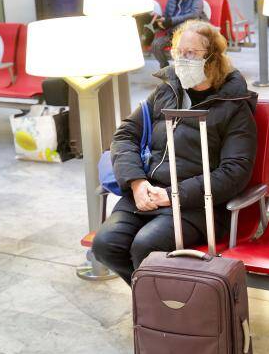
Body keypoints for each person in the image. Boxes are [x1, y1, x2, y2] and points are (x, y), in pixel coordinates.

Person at [92, 21, 257, 284]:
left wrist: (172, 195)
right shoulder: (167, 91)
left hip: (196, 205)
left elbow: (235, 171)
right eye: (178, 52)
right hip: (146, 193)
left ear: (212, 58)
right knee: (105, 245)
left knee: (145, 247)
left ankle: (160, 310)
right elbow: (125, 135)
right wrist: (136, 182)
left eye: (190, 54)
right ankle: (156, 306)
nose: (181, 59)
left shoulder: (234, 106)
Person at [150, 0, 205, 68]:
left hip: (189, 34)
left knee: (182, 47)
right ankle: (165, 69)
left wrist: (171, 21)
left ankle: (185, 71)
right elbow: (166, 17)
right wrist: (160, 21)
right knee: (156, 45)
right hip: (172, 34)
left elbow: (194, 14)